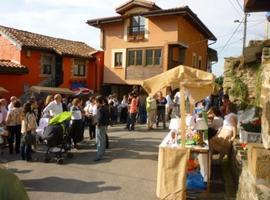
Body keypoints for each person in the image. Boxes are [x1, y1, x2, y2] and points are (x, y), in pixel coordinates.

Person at [94, 95, 109, 161]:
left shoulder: (100, 109)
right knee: (103, 139)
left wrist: (98, 124)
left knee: (99, 140)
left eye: (95, 101)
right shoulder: (105, 107)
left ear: (97, 101)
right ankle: (102, 152)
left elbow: (99, 118)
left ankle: (99, 155)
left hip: (100, 126)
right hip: (104, 125)